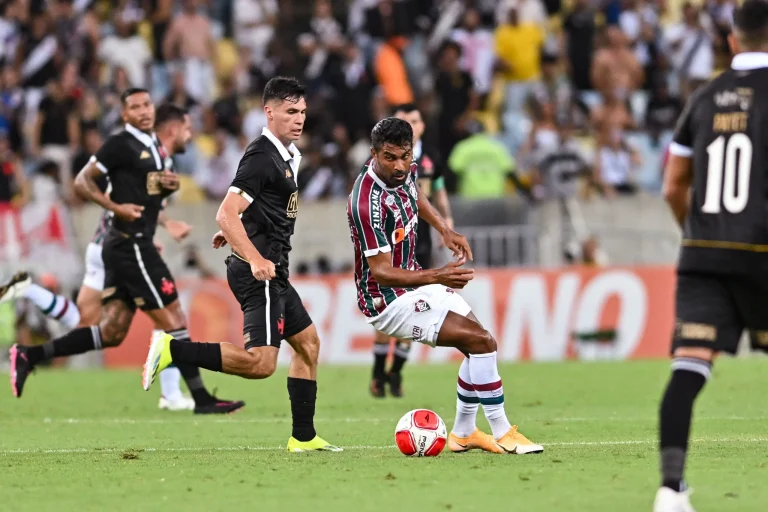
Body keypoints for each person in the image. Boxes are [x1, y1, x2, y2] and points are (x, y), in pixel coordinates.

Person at [8, 90, 244, 415]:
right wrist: (115, 206)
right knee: (174, 320)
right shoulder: (120, 144)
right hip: (130, 245)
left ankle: (29, 355)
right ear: (125, 115)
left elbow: (144, 193)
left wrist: (164, 208)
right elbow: (82, 181)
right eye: (135, 107)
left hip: (128, 246)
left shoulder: (155, 151)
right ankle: (200, 398)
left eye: (147, 105)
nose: (143, 111)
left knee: (111, 332)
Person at [142, 77, 341, 453]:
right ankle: (171, 349)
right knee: (261, 364)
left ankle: (303, 437)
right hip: (260, 273)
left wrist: (240, 234)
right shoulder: (261, 155)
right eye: (290, 112)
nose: (299, 120)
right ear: (269, 112)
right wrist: (252, 255)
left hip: (274, 270)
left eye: (302, 112)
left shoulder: (287, 155)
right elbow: (225, 212)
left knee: (308, 345)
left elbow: (248, 212)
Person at [347, 117, 543, 455]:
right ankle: (502, 430)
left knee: (483, 344)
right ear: (374, 154)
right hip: (388, 301)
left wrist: (444, 228)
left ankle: (464, 433)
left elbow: (416, 194)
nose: (398, 166)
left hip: (415, 283)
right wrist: (438, 275)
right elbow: (381, 273)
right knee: (481, 342)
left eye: (404, 157)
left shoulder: (403, 170)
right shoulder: (368, 203)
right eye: (389, 157)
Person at [656, 2, 768, 510]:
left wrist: (693, 233)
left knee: (689, 368)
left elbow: (672, 186)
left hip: (703, 252)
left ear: (731, 39)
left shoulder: (702, 99)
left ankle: (669, 491)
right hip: (762, 250)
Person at [368, 103, 454, 399]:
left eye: (415, 120)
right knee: (390, 306)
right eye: (405, 120)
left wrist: (447, 221)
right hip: (390, 246)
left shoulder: (429, 160)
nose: (411, 125)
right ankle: (379, 370)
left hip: (421, 244)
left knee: (419, 306)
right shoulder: (386, 160)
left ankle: (396, 372)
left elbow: (438, 189)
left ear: (422, 126)